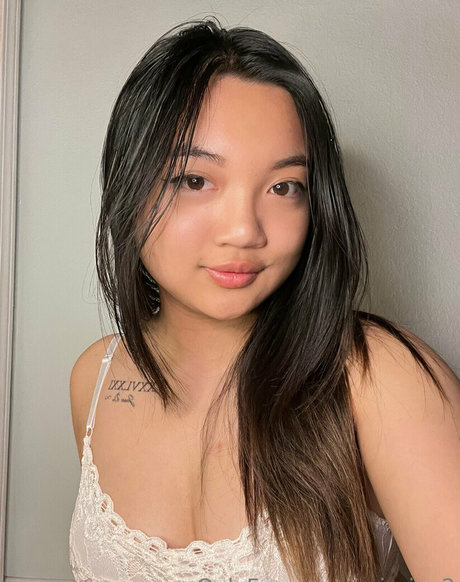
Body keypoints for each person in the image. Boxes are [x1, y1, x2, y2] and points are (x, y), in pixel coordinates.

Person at [68, 17, 460, 582]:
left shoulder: (378, 379)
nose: (245, 231)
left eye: (283, 187)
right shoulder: (96, 380)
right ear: (129, 184)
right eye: (195, 180)